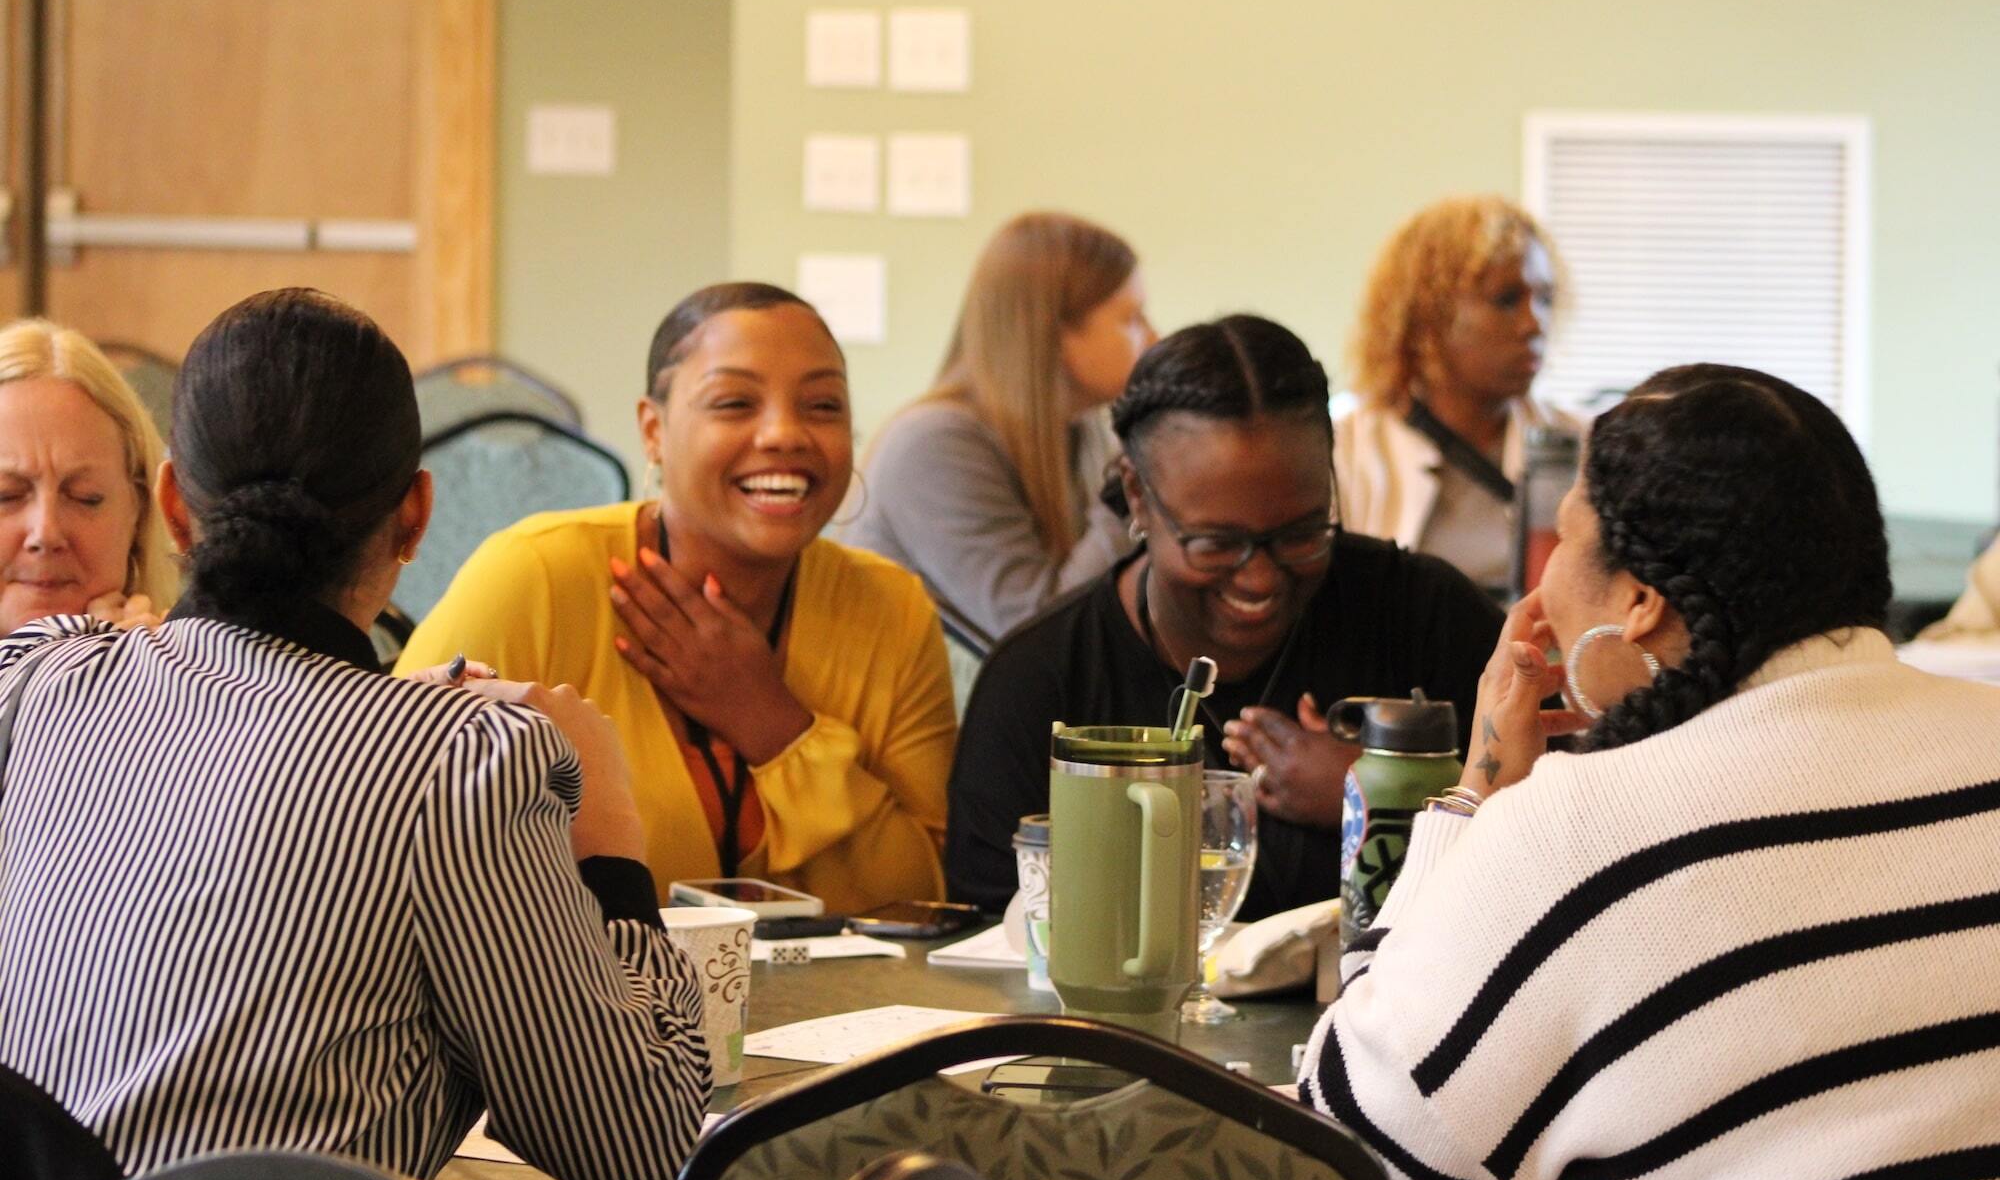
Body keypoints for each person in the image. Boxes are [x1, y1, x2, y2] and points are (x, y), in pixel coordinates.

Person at [0, 289, 709, 1180]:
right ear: (415, 515)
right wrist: (613, 854)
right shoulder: (461, 769)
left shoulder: (36, 680)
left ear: (171, 505)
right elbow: (634, 1143)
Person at [1303, 365, 2000, 1180]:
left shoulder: (1579, 833)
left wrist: (1473, 801)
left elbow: (1360, 1145)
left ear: (1638, 602)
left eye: (1569, 535)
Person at [400, 283, 954, 915]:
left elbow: (921, 899)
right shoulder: (535, 577)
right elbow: (383, 822)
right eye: (735, 402)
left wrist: (773, 725)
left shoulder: (892, 608)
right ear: (653, 430)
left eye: (823, 405)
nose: (784, 434)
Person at [947, 315, 1502, 922]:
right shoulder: (1042, 679)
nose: (1260, 578)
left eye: (1301, 534)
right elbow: (988, 937)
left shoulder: (1425, 619)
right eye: (1214, 543)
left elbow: (1546, 836)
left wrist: (1381, 796)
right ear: (1137, 495)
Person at [845, 212, 1155, 647]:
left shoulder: (1083, 431)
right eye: (1132, 319)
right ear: (1054, 330)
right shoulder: (934, 445)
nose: (1154, 338)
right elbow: (1040, 633)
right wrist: (1130, 488)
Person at [1335, 194, 1580, 594]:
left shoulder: (1586, 445)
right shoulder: (1346, 454)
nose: (1534, 325)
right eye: (1507, 299)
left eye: (1545, 299)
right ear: (1429, 313)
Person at [0, 318, 177, 633]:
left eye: (86, 498)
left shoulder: (192, 671)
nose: (46, 532)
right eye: (7, 496)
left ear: (137, 511)